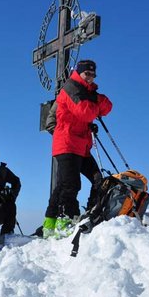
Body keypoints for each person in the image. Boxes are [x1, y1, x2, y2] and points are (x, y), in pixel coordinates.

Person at [43, 60, 113, 239]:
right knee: (71, 185)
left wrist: (93, 101)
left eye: (93, 74)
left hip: (81, 146)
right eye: (87, 74)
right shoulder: (71, 88)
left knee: (97, 179)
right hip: (66, 143)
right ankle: (65, 220)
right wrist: (95, 104)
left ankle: (51, 222)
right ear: (79, 73)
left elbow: (108, 106)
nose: (90, 77)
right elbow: (87, 113)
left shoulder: (88, 92)